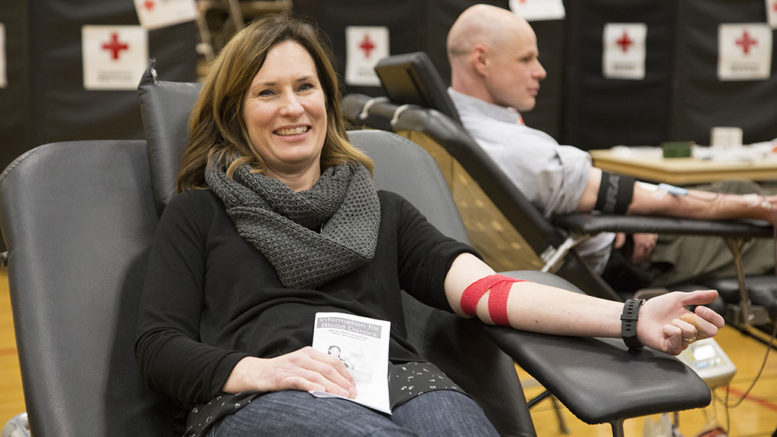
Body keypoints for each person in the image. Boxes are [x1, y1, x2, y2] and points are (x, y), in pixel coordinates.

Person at [135, 13, 725, 437]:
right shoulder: (201, 212)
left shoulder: (382, 210)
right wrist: (257, 371)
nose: (293, 107)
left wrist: (629, 317)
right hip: (262, 398)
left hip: (401, 384)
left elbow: (490, 291)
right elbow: (159, 348)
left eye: (305, 87)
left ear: (328, 99)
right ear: (236, 111)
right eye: (267, 92)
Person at [446, 4, 777, 290]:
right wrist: (760, 206)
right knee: (745, 192)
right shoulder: (517, 150)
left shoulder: (443, 122)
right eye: (526, 58)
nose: (541, 71)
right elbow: (649, 200)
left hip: (590, 232)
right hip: (634, 258)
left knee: (736, 188)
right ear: (482, 60)